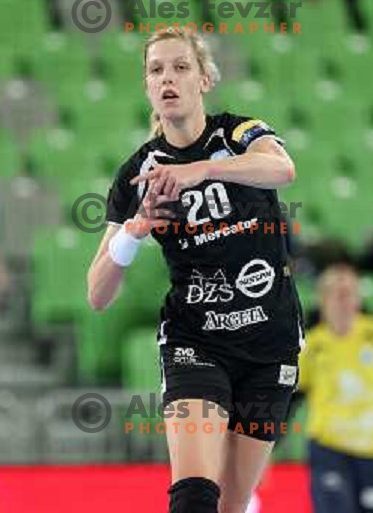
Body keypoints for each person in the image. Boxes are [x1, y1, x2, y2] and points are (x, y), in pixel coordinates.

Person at [87, 26, 305, 513]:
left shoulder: (239, 133)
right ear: (147, 86)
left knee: (231, 504)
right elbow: (97, 294)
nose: (168, 78)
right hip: (196, 341)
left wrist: (201, 169)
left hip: (270, 342)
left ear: (204, 79)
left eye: (181, 67)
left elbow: (282, 170)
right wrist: (137, 228)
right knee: (194, 498)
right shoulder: (137, 174)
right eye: (156, 70)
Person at [298, 264, 373, 513]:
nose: (343, 300)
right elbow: (289, 395)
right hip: (329, 449)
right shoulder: (312, 345)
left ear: (358, 298)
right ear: (323, 300)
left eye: (349, 292)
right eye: (336, 293)